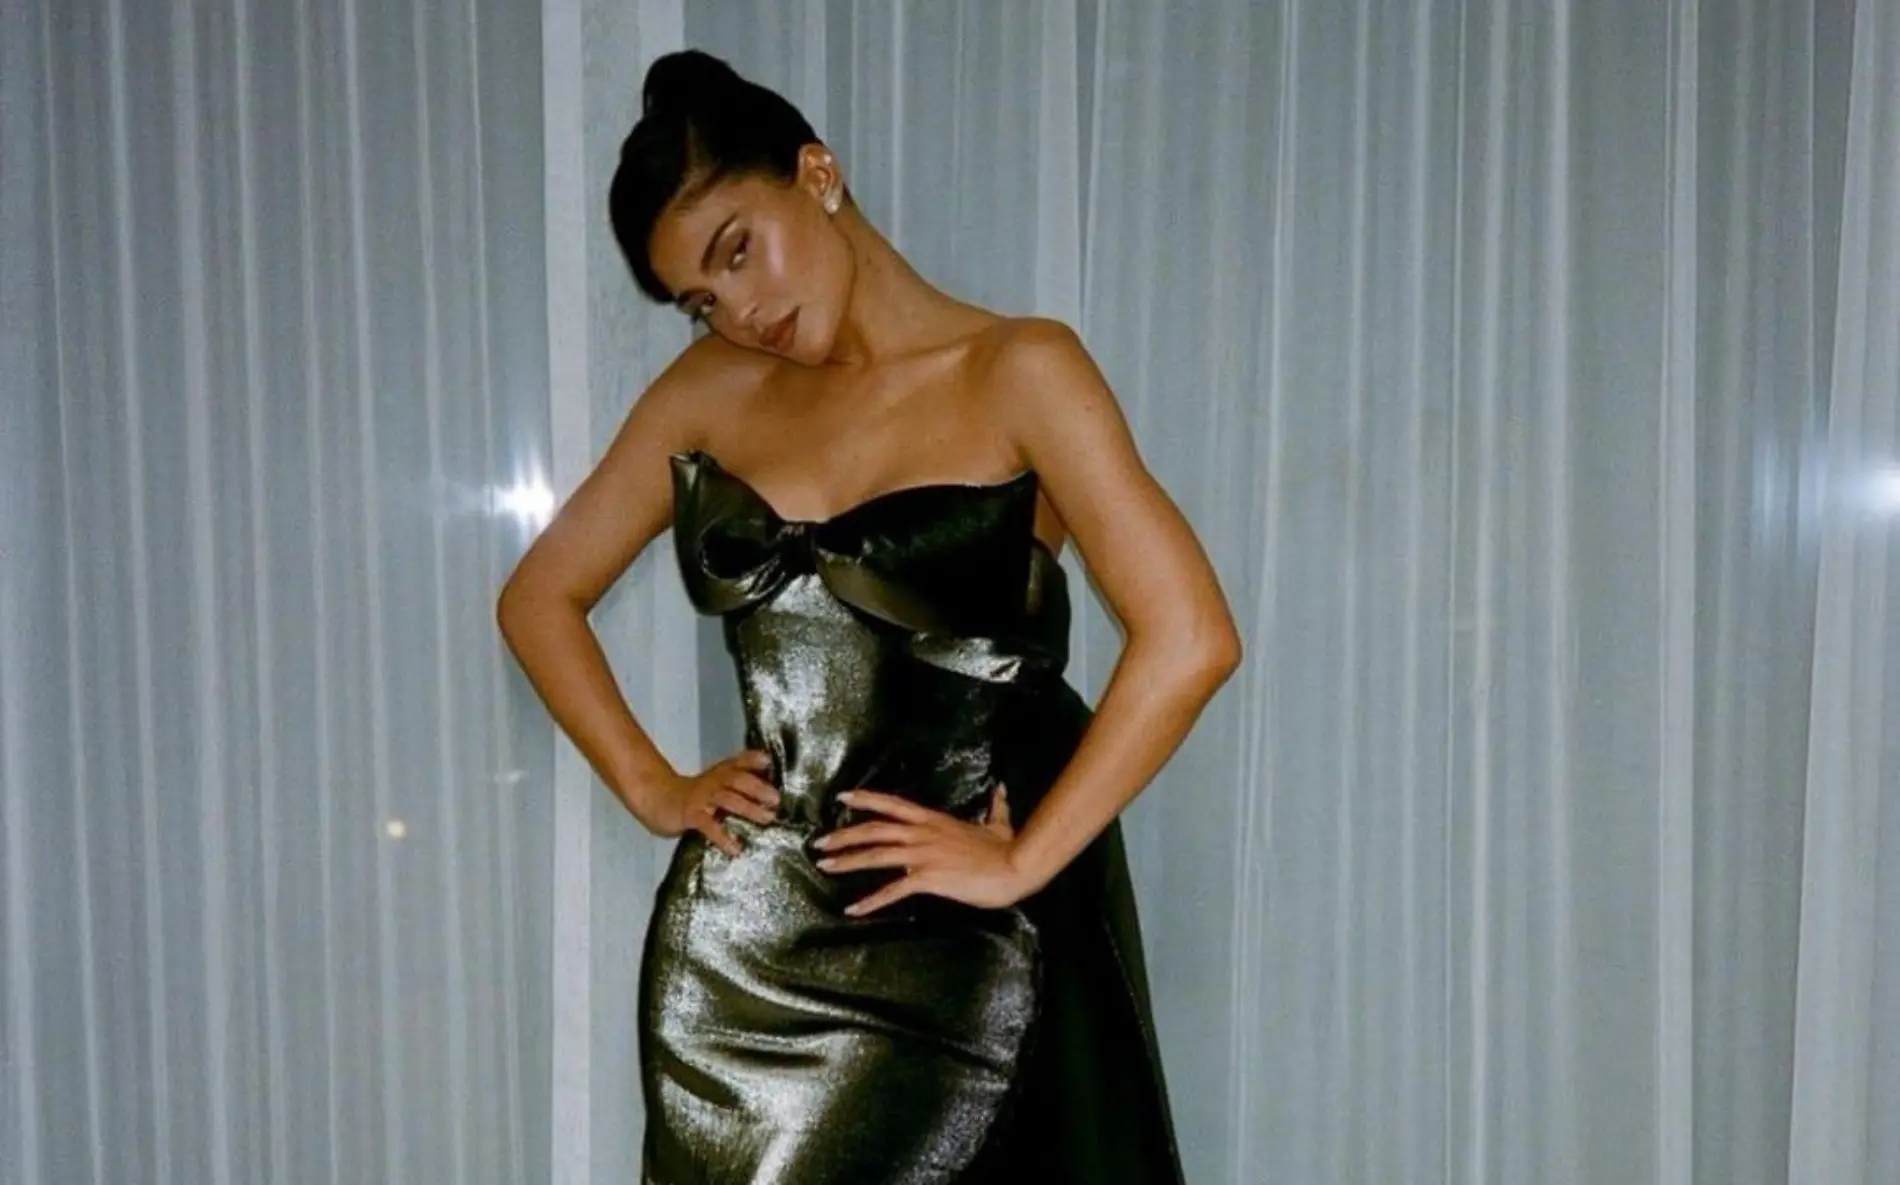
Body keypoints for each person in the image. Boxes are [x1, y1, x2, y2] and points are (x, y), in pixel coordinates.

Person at [497, 48, 1241, 1185]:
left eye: (737, 249)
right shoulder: (706, 395)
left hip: (964, 937)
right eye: (701, 301)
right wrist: (654, 787)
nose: (740, 311)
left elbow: (1190, 636)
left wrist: (1023, 861)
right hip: (744, 958)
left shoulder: (1019, 369)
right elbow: (539, 597)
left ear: (818, 172)